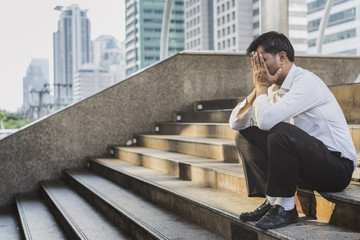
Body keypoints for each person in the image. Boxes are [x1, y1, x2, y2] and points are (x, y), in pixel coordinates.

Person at [229, 31, 356, 229]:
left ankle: (287, 208)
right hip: (307, 166)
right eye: (255, 63)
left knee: (281, 131)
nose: (258, 69)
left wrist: (262, 86)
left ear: (282, 57)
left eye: (262, 61)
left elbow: (266, 121)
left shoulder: (306, 82)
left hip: (337, 169)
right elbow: (236, 123)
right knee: (245, 135)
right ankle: (273, 202)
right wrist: (258, 89)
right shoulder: (271, 90)